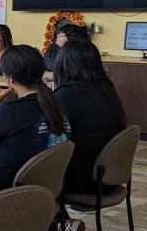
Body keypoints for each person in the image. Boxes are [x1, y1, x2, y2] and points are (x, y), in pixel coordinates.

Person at [0, 45, 70, 193]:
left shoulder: (10, 111)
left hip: (4, 191)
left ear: (10, 79)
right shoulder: (56, 103)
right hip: (42, 188)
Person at [54, 41, 126, 195]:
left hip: (82, 181)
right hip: (107, 177)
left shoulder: (68, 94)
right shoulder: (106, 89)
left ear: (63, 64)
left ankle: (53, 216)